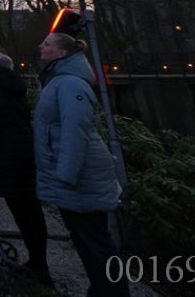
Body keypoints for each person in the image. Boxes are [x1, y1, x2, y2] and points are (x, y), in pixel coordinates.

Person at [35, 32, 128, 297]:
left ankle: (113, 292)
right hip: (73, 174)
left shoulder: (70, 84)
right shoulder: (60, 80)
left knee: (94, 240)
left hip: (79, 176)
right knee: (84, 238)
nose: (41, 46)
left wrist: (64, 175)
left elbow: (74, 132)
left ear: (62, 53)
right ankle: (101, 289)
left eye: (47, 44)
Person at [0, 52, 51, 285]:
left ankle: (39, 270)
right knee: (32, 209)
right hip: (24, 151)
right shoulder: (17, 87)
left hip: (4, 152)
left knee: (20, 211)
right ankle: (39, 261)